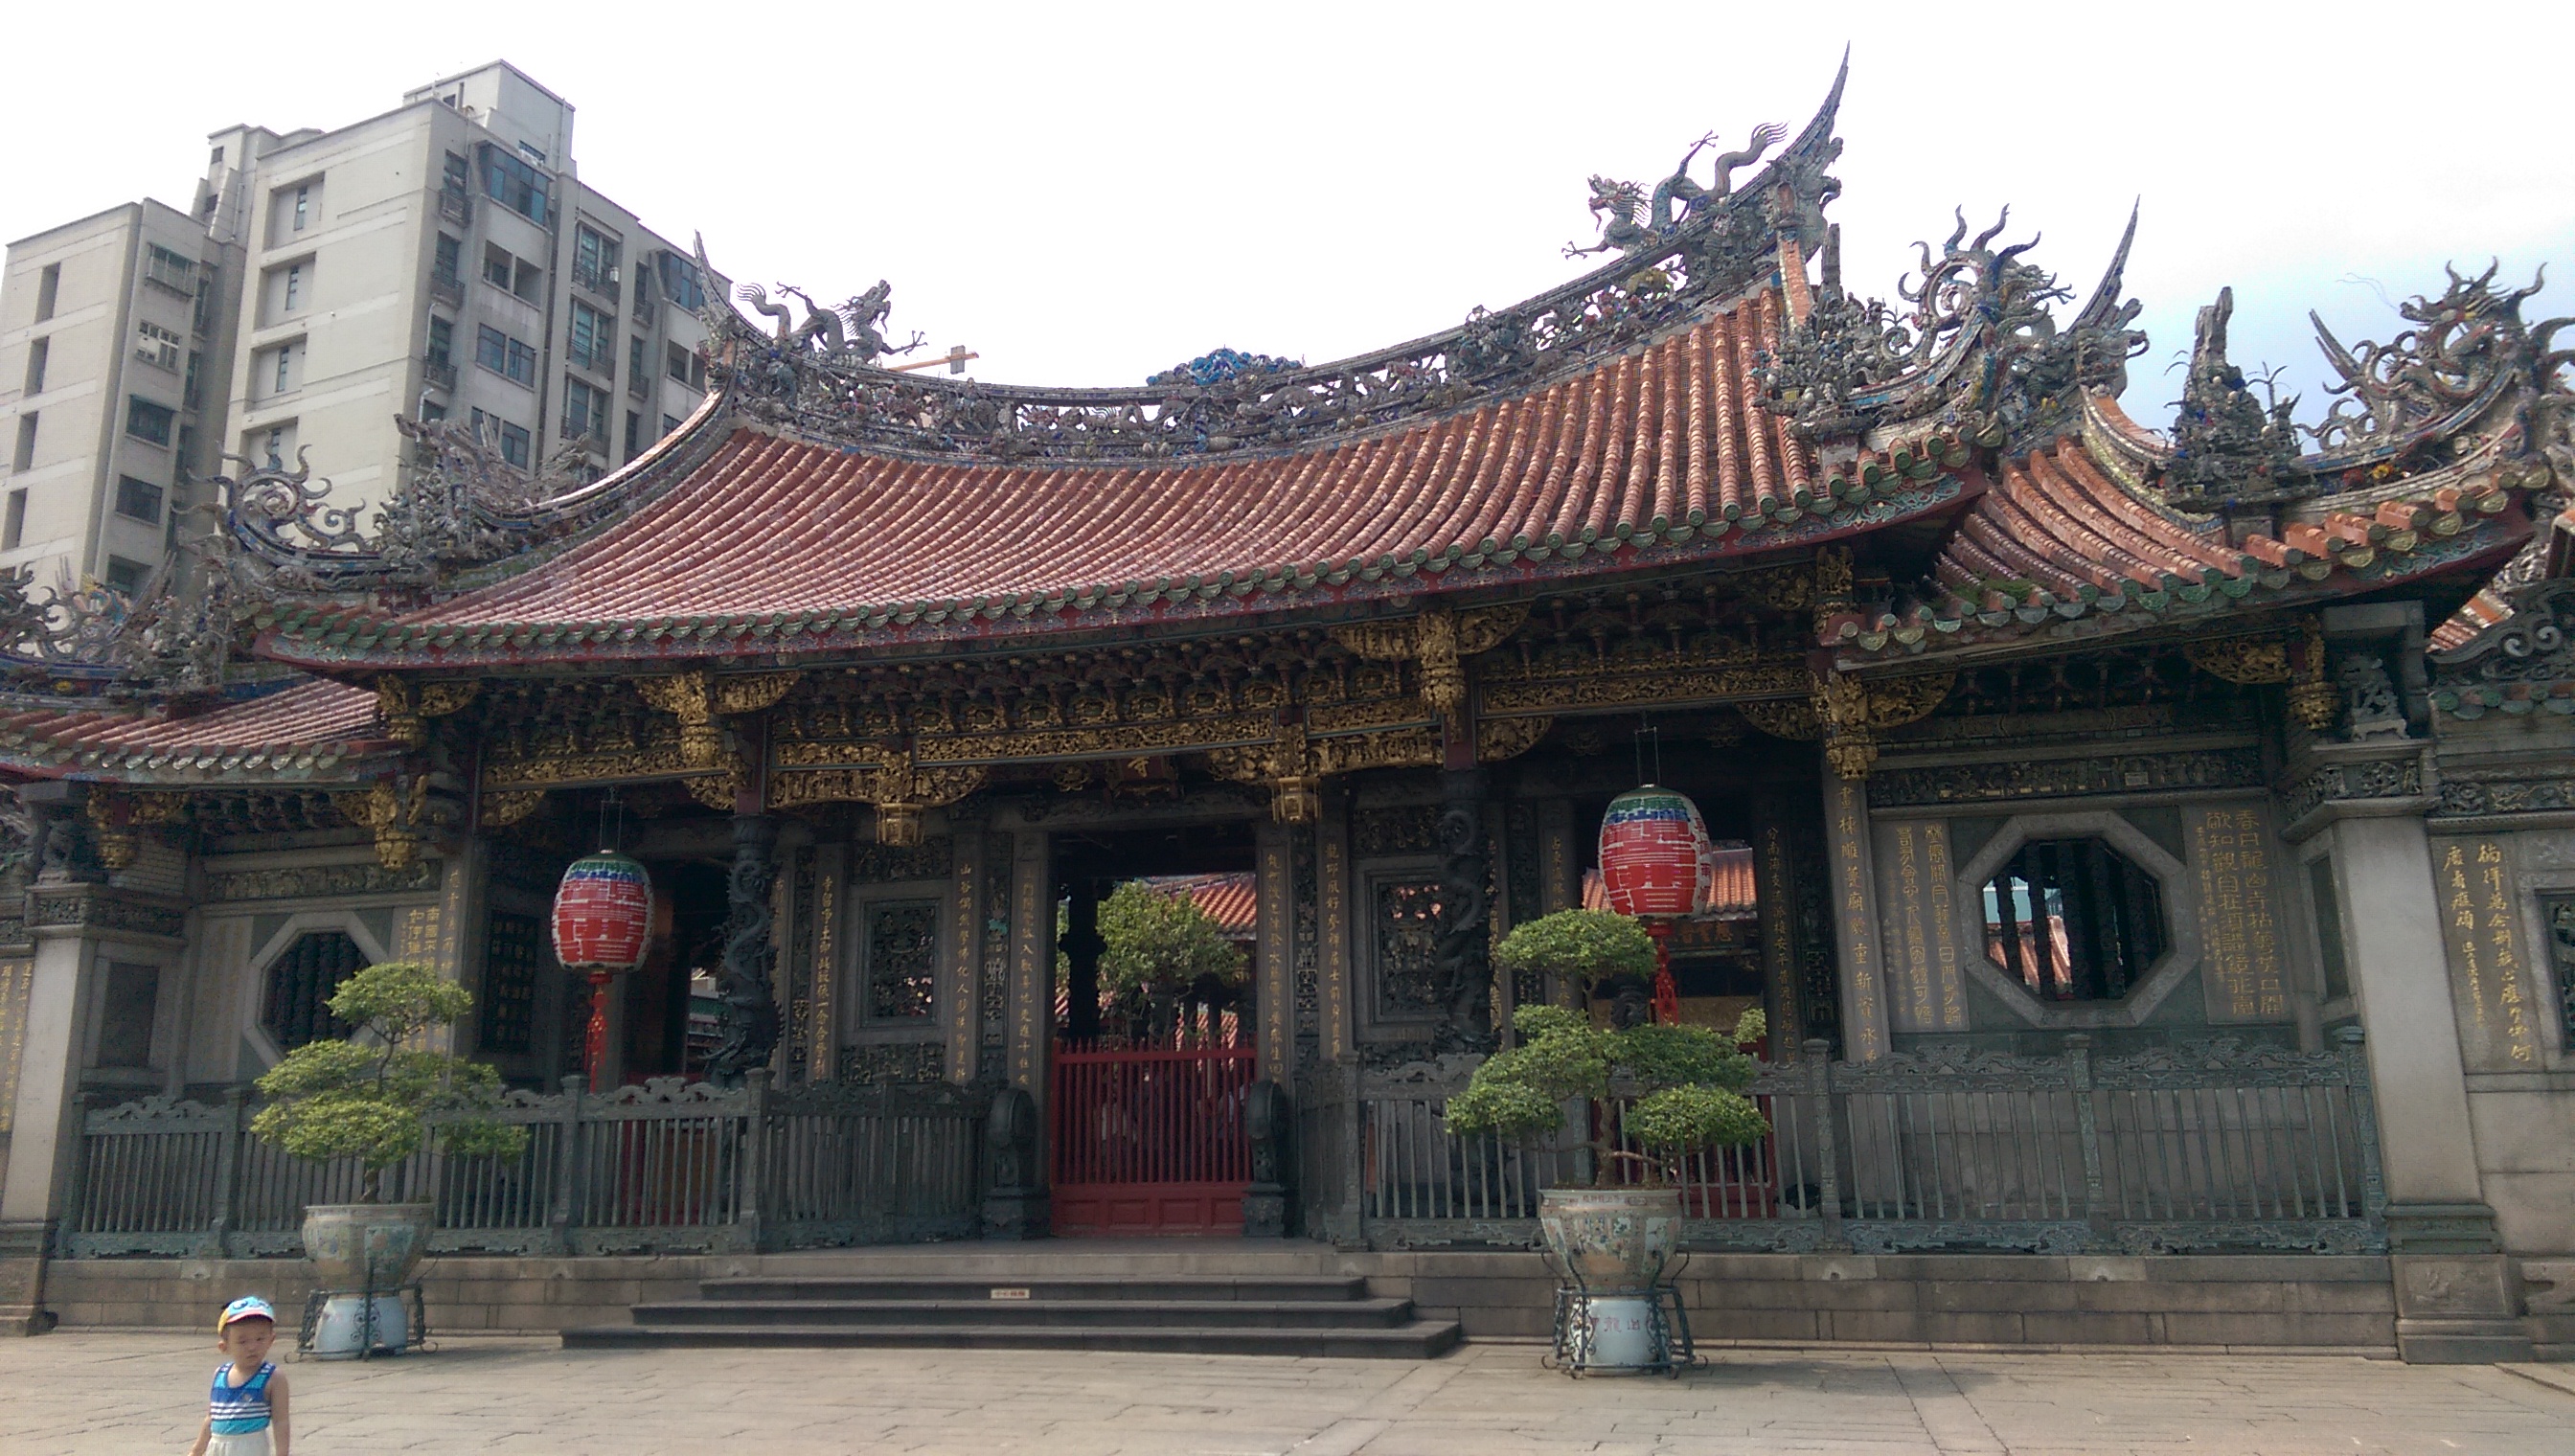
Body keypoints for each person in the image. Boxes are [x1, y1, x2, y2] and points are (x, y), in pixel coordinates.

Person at [187, 1296, 290, 1456]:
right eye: (242, 1341)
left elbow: (281, 1421)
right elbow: (211, 1417)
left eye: (260, 1339)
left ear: (271, 1340)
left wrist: (282, 1453)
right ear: (224, 1346)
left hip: (250, 1447)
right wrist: (197, 1449)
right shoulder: (220, 1374)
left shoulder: (273, 1377)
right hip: (217, 1446)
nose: (252, 1347)